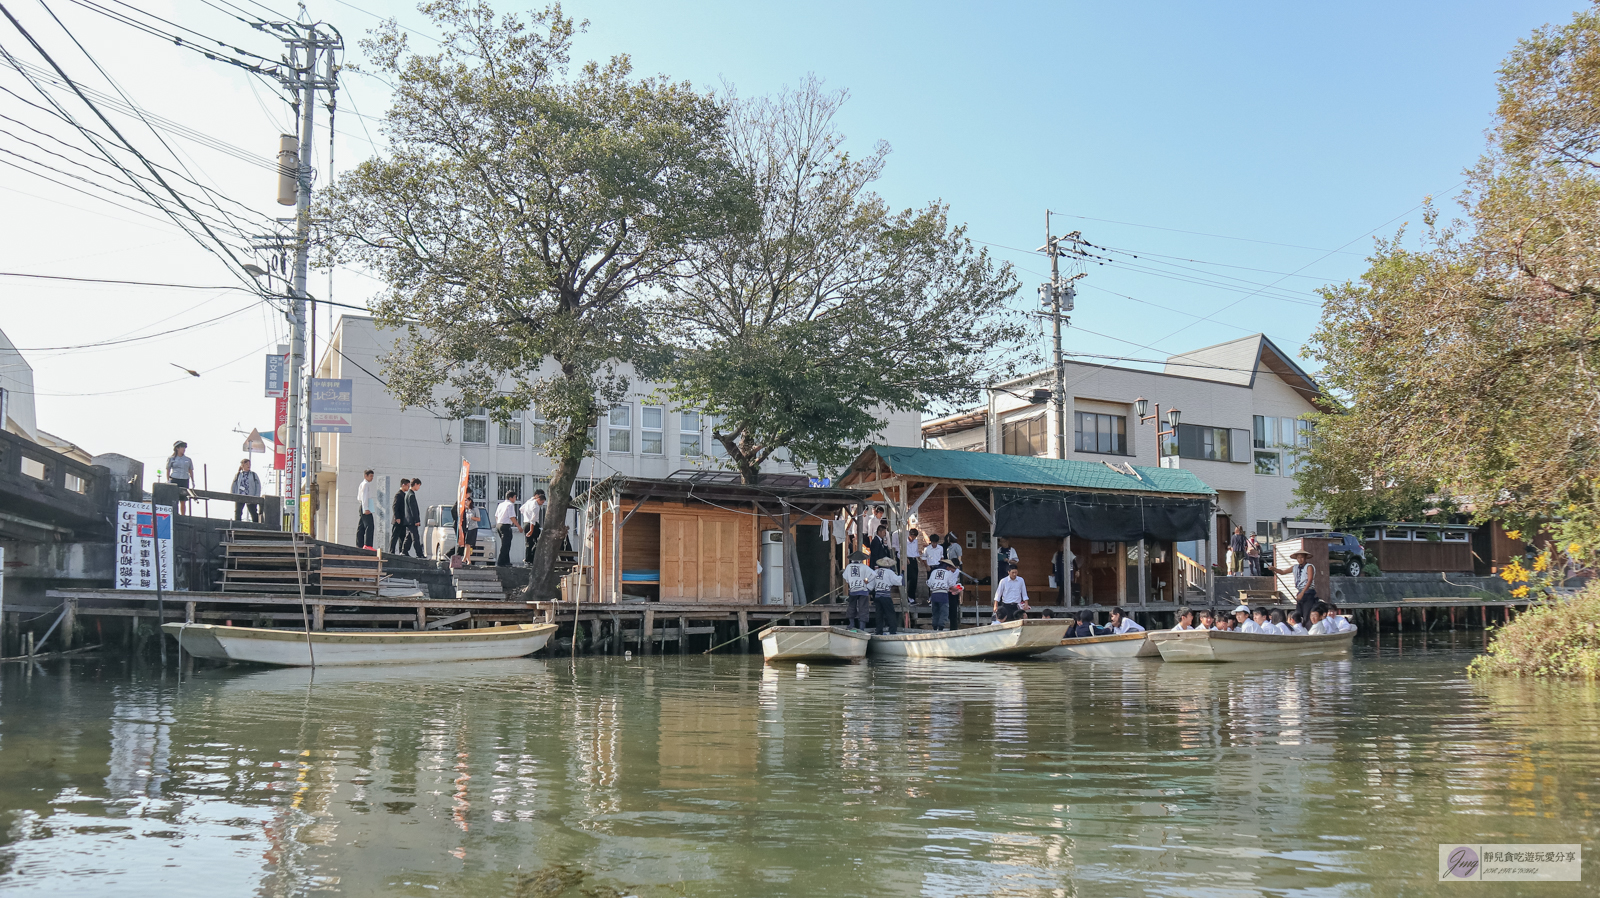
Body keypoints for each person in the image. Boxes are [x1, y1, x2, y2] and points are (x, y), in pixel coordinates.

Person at [1270, 548, 1319, 624]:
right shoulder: (1295, 567)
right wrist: (1274, 569)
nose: (1300, 559)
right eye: (1298, 558)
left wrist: (1302, 593)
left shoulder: (1309, 566)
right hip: (1300, 592)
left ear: (1305, 558)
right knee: (1298, 614)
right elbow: (1283, 572)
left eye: (1302, 557)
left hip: (1308, 592)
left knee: (1306, 614)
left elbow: (1309, 580)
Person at [869, 557, 904, 635]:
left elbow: (870, 585)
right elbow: (898, 580)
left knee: (879, 614)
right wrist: (903, 573)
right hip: (886, 596)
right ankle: (892, 630)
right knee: (890, 613)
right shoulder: (889, 572)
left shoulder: (875, 572)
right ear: (888, 565)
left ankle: (879, 631)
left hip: (877, 596)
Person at [842, 552, 873, 631]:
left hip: (853, 589)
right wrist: (867, 582)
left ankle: (851, 624)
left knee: (852, 606)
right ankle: (862, 627)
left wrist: (850, 581)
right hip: (863, 590)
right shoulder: (864, 567)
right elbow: (873, 575)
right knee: (863, 607)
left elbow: (845, 576)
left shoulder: (849, 567)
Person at [927, 560, 960, 631]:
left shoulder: (933, 572)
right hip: (943, 594)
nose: (952, 570)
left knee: (935, 612)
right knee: (944, 612)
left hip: (934, 594)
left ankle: (935, 627)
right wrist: (957, 589)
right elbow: (951, 585)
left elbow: (929, 583)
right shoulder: (947, 573)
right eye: (951, 568)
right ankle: (941, 627)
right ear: (947, 567)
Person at [167, 441, 194, 513]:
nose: (183, 449)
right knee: (174, 499)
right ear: (177, 448)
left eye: (184, 448)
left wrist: (193, 481)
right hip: (175, 479)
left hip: (184, 480)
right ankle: (175, 514)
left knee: (183, 499)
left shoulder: (188, 459)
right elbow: (168, 469)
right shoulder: (172, 459)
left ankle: (183, 515)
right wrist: (168, 480)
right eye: (182, 447)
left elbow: (190, 470)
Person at [520, 489, 547, 564]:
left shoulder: (529, 502)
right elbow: (533, 519)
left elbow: (521, 509)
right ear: (538, 498)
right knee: (537, 542)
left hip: (525, 523)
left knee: (528, 543)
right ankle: (532, 559)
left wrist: (526, 514)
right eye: (541, 502)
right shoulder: (536, 506)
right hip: (533, 525)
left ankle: (528, 559)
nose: (542, 504)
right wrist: (531, 529)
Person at [230, 458, 261, 523]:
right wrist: (232, 494)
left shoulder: (253, 474)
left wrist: (257, 496)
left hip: (250, 495)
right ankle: (237, 525)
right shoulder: (238, 475)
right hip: (240, 495)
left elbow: (258, 485)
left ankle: (256, 526)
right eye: (246, 464)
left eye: (249, 464)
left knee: (253, 512)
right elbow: (234, 484)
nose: (248, 465)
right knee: (238, 512)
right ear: (242, 465)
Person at [494, 490, 520, 567]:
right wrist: (518, 526)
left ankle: (506, 561)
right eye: (515, 497)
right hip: (505, 525)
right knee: (506, 544)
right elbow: (512, 517)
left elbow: (496, 516)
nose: (515, 499)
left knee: (505, 543)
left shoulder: (500, 504)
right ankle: (501, 561)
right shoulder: (510, 505)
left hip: (499, 524)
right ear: (510, 497)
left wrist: (498, 523)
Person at [455, 495, 484, 561]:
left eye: (466, 501)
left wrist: (472, 517)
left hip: (473, 528)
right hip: (467, 527)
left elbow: (479, 519)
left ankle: (465, 559)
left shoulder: (475, 509)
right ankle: (468, 560)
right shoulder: (466, 510)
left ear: (470, 501)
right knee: (466, 544)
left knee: (468, 544)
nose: (465, 502)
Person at [355, 469, 377, 549]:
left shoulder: (363, 484)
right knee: (369, 526)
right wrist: (366, 508)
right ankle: (368, 545)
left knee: (361, 527)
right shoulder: (366, 484)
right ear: (366, 476)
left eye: (372, 476)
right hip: (365, 507)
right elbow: (364, 497)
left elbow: (359, 498)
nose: (372, 478)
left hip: (364, 506)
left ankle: (359, 544)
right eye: (370, 476)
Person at [404, 477, 424, 558]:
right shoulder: (411, 495)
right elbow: (413, 509)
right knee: (415, 538)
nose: (419, 487)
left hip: (408, 520)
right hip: (412, 520)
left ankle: (404, 550)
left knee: (409, 536)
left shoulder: (407, 494)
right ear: (415, 484)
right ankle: (419, 554)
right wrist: (416, 520)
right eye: (419, 485)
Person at [390, 479, 412, 553]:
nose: (408, 487)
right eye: (407, 486)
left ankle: (402, 551)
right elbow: (394, 506)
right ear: (403, 485)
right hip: (398, 520)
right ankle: (391, 551)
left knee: (402, 537)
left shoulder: (404, 495)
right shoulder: (398, 495)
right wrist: (397, 517)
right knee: (395, 536)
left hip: (403, 520)